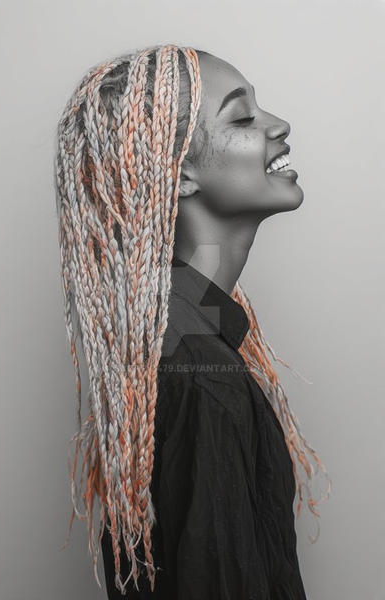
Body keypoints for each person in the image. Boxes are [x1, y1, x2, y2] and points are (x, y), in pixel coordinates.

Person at [54, 44, 331, 600]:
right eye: (242, 118)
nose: (279, 125)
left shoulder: (182, 332)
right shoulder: (201, 373)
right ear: (180, 174)